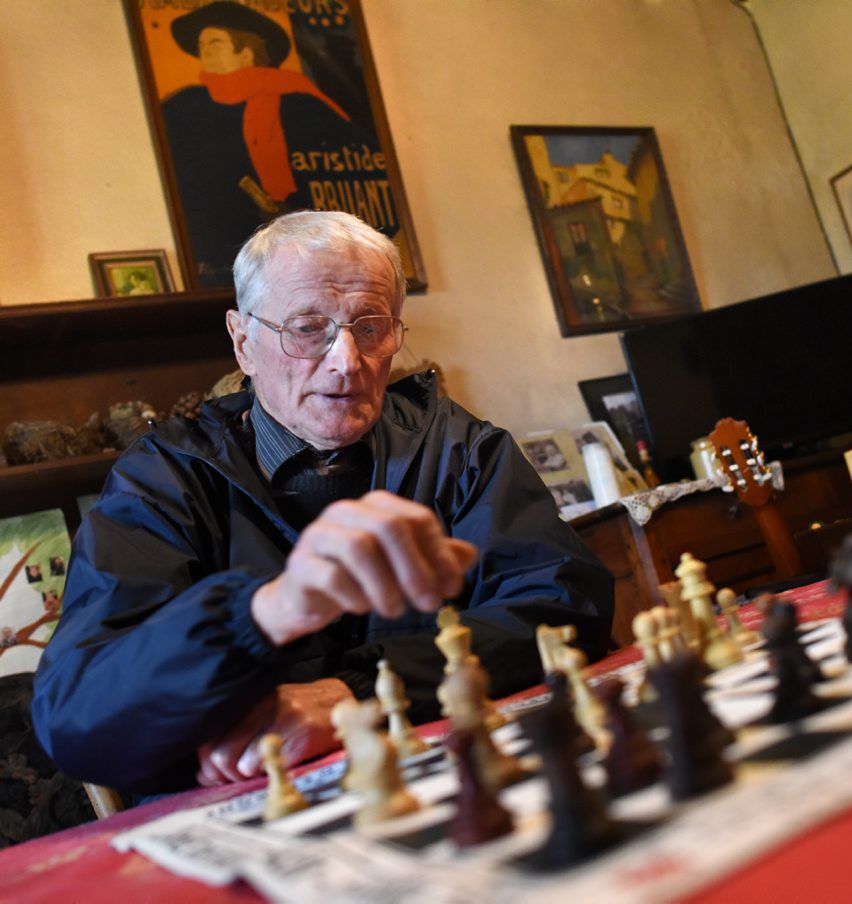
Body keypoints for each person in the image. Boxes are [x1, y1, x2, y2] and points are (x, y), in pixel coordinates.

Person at [32, 211, 613, 797]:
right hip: (251, 805)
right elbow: (76, 718)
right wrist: (259, 614)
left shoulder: (460, 450)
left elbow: (566, 609)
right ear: (243, 342)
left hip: (441, 782)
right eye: (308, 328)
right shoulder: (162, 480)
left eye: (370, 327)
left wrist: (355, 691)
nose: (346, 362)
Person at [160, 2, 386, 287]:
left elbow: (355, 165)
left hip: (303, 266)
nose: (204, 51)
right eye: (201, 45)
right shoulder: (183, 106)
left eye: (215, 43)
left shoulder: (300, 104)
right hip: (220, 266)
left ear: (246, 52)